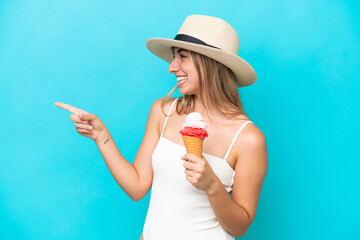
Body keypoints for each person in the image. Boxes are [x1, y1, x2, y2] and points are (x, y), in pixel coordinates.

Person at [55, 14, 268, 240]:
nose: (171, 67)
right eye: (173, 56)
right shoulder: (163, 111)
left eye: (182, 57)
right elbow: (137, 187)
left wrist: (212, 185)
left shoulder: (248, 139)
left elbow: (239, 227)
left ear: (210, 63)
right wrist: (100, 136)